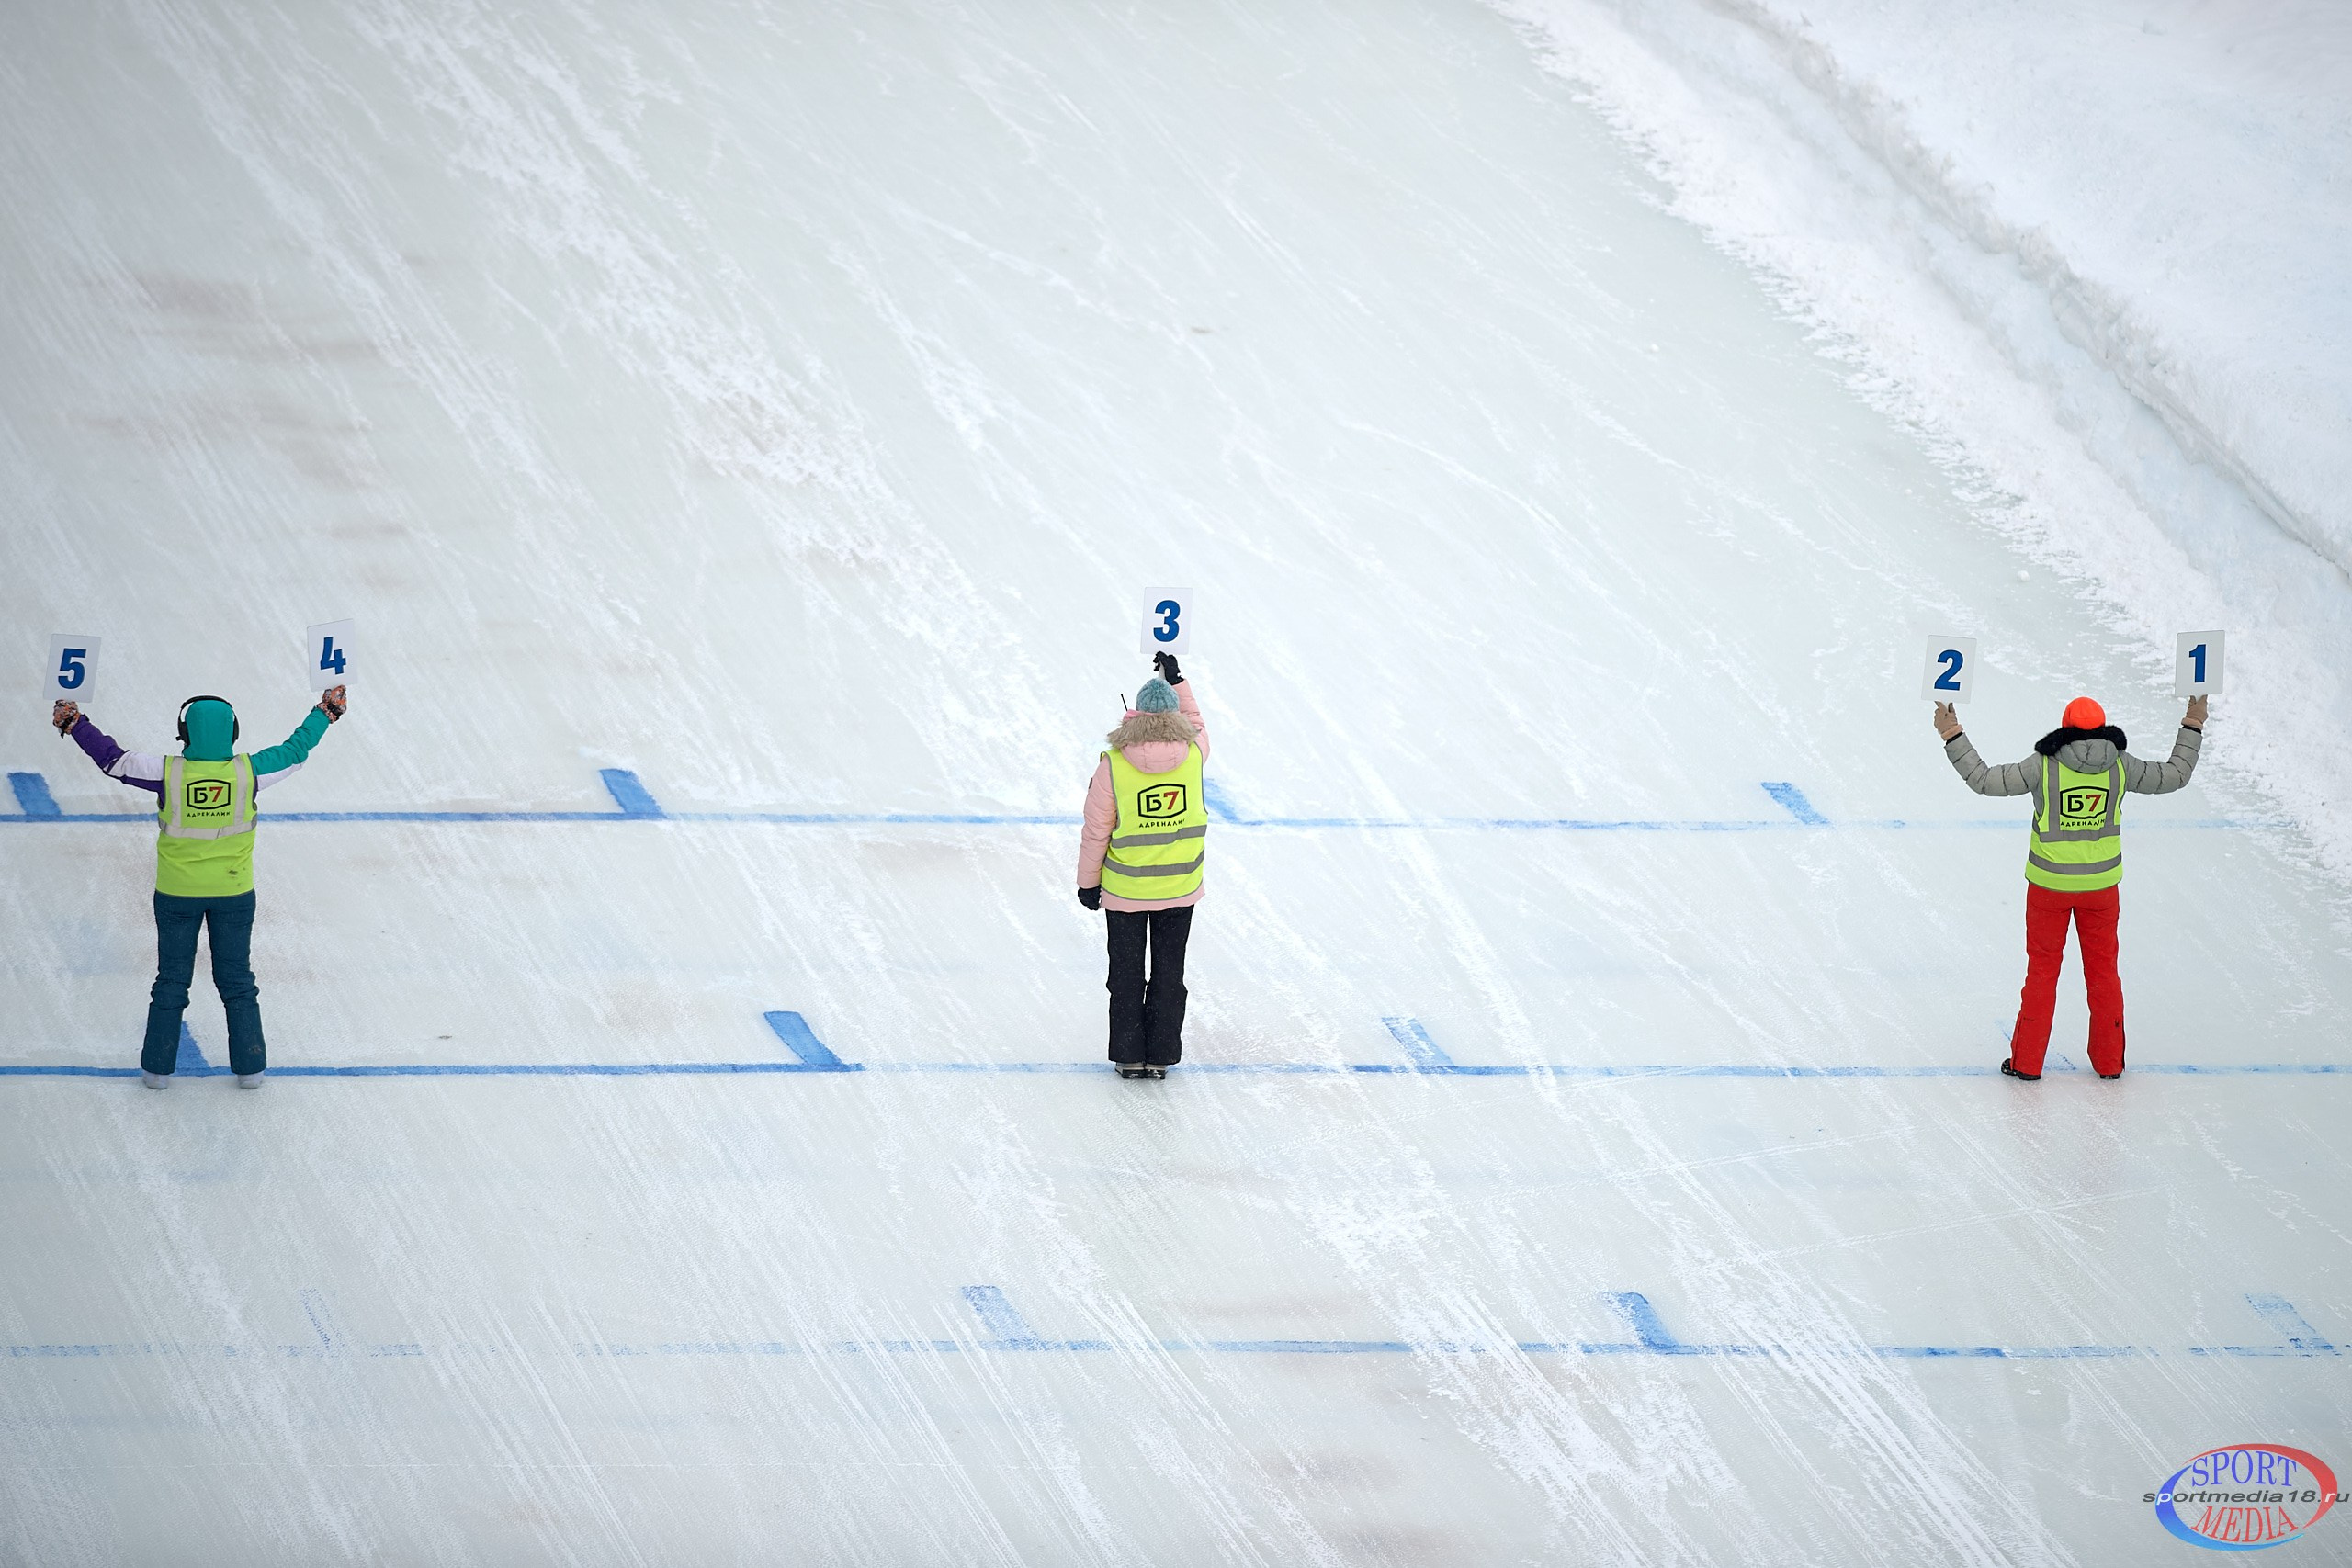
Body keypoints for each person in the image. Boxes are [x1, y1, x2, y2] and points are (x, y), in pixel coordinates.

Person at [51, 685, 349, 1089]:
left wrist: (75, 722)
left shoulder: (167, 773)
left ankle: (156, 1070)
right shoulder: (250, 772)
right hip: (234, 893)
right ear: (233, 733)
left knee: (172, 979)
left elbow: (113, 760)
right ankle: (250, 1070)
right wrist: (326, 711)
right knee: (238, 981)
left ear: (184, 733)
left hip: (176, 894)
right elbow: (296, 750)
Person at [1935, 692, 2205, 1081]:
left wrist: (1952, 733)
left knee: (2042, 973)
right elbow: (2175, 775)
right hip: (2101, 891)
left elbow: (1984, 780)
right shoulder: (2121, 766)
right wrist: (2192, 723)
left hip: (2048, 889)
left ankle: (2027, 1063)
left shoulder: (2043, 766)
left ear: (2065, 730)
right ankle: (2110, 1063)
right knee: (2104, 975)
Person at [1077, 652, 1210, 1079]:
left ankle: (1130, 1056)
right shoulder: (1193, 755)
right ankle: (1161, 1057)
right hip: (1180, 888)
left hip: (1126, 891)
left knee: (1127, 976)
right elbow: (1199, 724)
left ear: (1132, 717)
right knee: (1170, 975)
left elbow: (1097, 831)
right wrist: (1178, 680)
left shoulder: (1112, 765)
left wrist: (1087, 884)